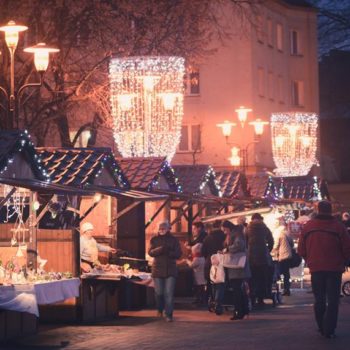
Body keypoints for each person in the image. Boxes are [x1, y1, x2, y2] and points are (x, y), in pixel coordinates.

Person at [298, 200, 350, 338]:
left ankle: (321, 326)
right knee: (333, 299)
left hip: (316, 268)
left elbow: (301, 249)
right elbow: (347, 248)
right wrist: (344, 260)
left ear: (318, 210)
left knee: (319, 298)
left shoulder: (308, 226)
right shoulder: (339, 227)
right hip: (334, 268)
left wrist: (309, 259)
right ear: (330, 210)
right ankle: (329, 329)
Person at [148, 220, 182, 322]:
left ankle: (169, 314)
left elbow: (178, 254)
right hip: (157, 269)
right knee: (159, 293)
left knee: (169, 293)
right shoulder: (154, 239)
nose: (161, 230)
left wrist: (169, 252)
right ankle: (159, 309)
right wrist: (160, 249)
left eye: (163, 228)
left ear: (168, 229)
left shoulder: (174, 240)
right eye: (160, 228)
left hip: (170, 270)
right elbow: (150, 252)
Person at [222, 220, 250, 320]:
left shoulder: (236, 234)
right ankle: (243, 310)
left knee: (238, 290)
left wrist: (228, 249)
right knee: (239, 290)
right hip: (235, 266)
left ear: (229, 228)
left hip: (237, 266)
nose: (224, 232)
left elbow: (239, 245)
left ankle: (239, 312)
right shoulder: (236, 233)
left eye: (225, 230)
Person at [246, 213, 274, 306]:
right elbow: (271, 241)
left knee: (252, 278)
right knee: (262, 278)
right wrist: (267, 250)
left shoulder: (247, 229)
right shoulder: (265, 228)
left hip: (251, 258)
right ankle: (261, 299)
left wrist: (248, 250)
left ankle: (253, 297)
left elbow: (245, 242)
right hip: (263, 257)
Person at [202, 220, 226, 307]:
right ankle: (219, 301)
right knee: (221, 282)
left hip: (210, 262)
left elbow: (203, 251)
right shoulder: (225, 236)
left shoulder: (207, 238)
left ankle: (211, 300)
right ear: (220, 226)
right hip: (222, 262)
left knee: (210, 282)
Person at [271, 216, 293, 296]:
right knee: (286, 273)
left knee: (279, 272)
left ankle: (281, 289)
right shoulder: (287, 233)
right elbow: (292, 244)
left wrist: (272, 251)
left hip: (282, 256)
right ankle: (287, 289)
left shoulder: (278, 234)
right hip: (288, 256)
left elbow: (276, 245)